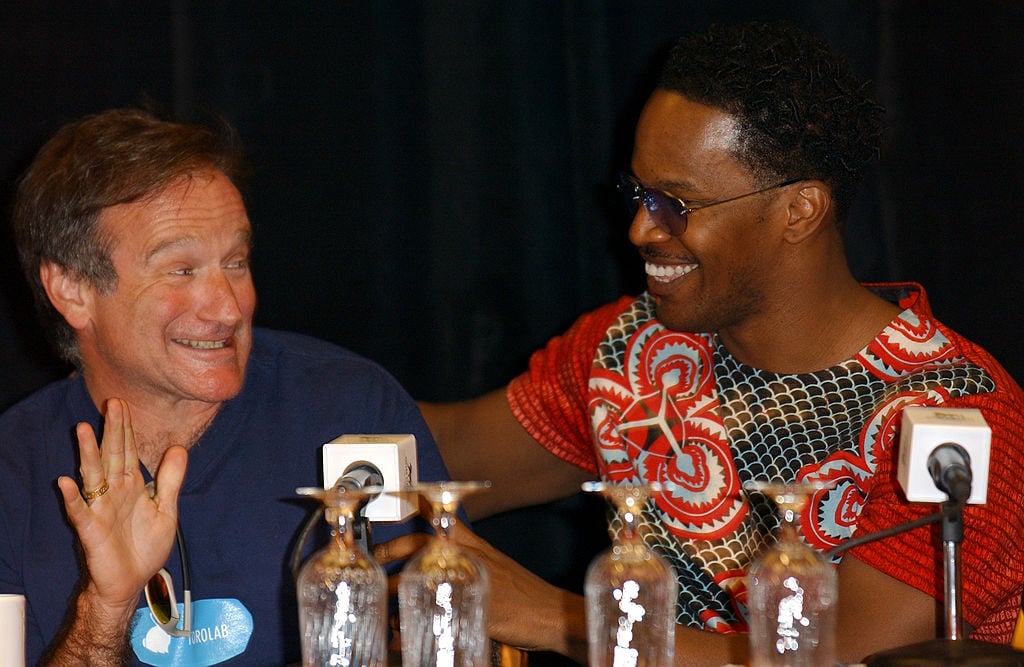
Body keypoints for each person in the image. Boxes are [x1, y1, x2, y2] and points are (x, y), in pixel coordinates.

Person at [378, 21, 1024, 665]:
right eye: (638, 193)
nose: (638, 228)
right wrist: (283, 371)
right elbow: (429, 449)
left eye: (675, 204)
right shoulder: (634, 352)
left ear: (799, 210)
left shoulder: (955, 417)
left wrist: (557, 616)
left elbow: (845, 659)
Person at [0, 108, 453, 665]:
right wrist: (105, 606)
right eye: (181, 270)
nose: (230, 306)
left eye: (236, 262)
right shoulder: (13, 469)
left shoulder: (348, 408)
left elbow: (450, 630)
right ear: (71, 289)